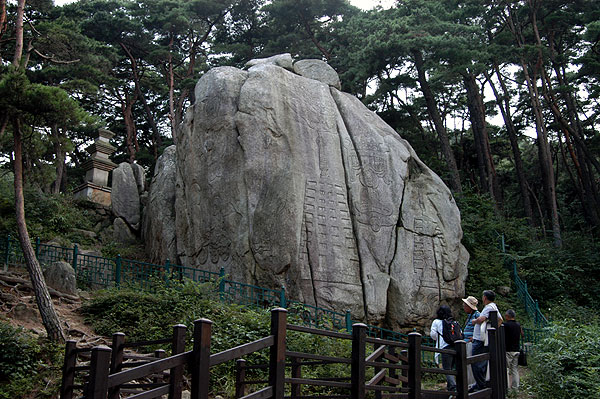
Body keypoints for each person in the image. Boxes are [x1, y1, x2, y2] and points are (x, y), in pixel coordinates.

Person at [470, 290, 503, 392]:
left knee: (475, 361)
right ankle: (480, 383)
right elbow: (500, 320)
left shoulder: (488, 307)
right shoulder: (494, 307)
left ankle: (480, 384)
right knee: (482, 362)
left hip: (480, 338)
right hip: (485, 339)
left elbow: (482, 318)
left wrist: (475, 321)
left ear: (485, 297)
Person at [430, 305, 457, 393]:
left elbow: (433, 335)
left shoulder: (436, 322)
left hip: (445, 347)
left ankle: (453, 388)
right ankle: (450, 388)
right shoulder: (453, 321)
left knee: (447, 368)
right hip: (456, 346)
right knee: (452, 368)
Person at [503, 309, 524, 393]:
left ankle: (507, 389)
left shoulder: (505, 325)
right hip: (516, 349)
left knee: (507, 370)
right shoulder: (518, 325)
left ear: (507, 316)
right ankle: (516, 388)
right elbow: (522, 334)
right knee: (515, 369)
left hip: (508, 350)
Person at [462, 296, 480, 386]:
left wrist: (474, 337)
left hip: (470, 343)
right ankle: (468, 382)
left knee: (470, 363)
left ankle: (471, 383)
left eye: (465, 305)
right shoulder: (470, 316)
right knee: (466, 364)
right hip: (466, 342)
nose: (464, 307)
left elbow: (482, 326)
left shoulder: (477, 315)